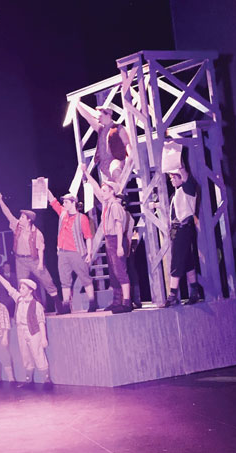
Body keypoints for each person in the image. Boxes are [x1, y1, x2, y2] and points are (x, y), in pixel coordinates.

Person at [0, 193, 61, 312]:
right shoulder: (16, 226)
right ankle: (22, 310)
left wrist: (40, 263)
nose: (20, 219)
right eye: (20, 217)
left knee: (47, 280)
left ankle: (58, 304)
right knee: (22, 285)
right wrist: (0, 201)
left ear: (29, 220)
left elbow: (41, 249)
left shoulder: (37, 233)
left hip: (34, 260)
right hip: (20, 260)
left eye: (22, 217)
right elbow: (7, 214)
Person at [82, 165, 133, 313]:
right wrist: (86, 173)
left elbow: (119, 226)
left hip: (116, 239)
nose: (102, 193)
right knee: (113, 272)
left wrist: (119, 246)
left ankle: (127, 302)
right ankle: (117, 301)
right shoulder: (107, 204)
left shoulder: (115, 206)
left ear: (112, 192)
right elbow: (96, 189)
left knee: (120, 271)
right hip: (110, 240)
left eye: (105, 191)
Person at [0, 270, 52, 388]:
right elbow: (9, 288)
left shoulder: (36, 305)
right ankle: (28, 381)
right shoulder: (19, 300)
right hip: (20, 331)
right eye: (20, 288)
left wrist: (43, 338)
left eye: (23, 288)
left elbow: (41, 322)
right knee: (25, 355)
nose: (20, 290)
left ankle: (47, 381)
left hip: (33, 331)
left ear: (30, 290)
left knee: (38, 354)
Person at [46, 185, 97, 313]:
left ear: (73, 203)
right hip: (63, 253)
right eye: (64, 202)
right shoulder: (63, 213)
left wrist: (89, 253)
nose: (64, 204)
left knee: (85, 278)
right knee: (64, 280)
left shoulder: (82, 218)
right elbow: (52, 200)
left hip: (77, 252)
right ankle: (66, 306)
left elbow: (88, 237)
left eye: (66, 202)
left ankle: (92, 302)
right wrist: (44, 186)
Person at [164, 165, 203, 306]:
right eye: (171, 178)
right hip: (178, 230)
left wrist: (179, 165)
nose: (172, 180)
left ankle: (172, 295)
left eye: (174, 177)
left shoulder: (188, 188)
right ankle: (194, 292)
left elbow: (185, 176)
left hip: (183, 228)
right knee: (187, 261)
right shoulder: (176, 194)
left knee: (177, 261)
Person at [78, 102, 130, 182]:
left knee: (115, 171)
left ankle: (119, 183)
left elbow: (127, 144)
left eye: (100, 116)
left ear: (108, 115)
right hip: (104, 164)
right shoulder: (101, 129)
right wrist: (78, 105)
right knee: (108, 185)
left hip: (115, 159)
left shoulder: (118, 128)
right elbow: (89, 118)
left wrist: (130, 158)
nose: (99, 119)